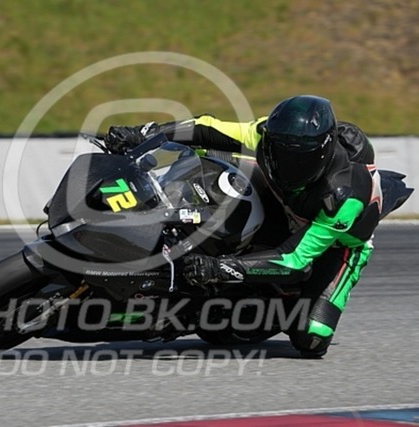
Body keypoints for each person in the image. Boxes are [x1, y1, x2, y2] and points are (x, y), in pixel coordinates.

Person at [103, 95, 383, 358]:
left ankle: (277, 302)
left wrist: (217, 268)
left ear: (322, 153)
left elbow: (294, 260)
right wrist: (143, 134)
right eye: (280, 151)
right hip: (282, 200)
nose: (288, 163)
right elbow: (206, 128)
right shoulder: (265, 133)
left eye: (299, 158)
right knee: (208, 153)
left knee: (311, 337)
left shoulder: (343, 196)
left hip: (336, 243)